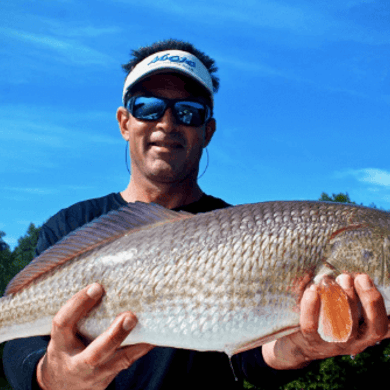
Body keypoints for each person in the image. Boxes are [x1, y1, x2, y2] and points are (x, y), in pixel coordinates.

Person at [3, 39, 389, 390]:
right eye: (148, 107)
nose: (167, 123)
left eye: (188, 112)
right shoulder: (70, 226)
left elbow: (250, 361)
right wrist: (52, 377)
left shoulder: (238, 229)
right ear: (125, 122)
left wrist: (304, 346)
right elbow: (19, 338)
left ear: (208, 130)